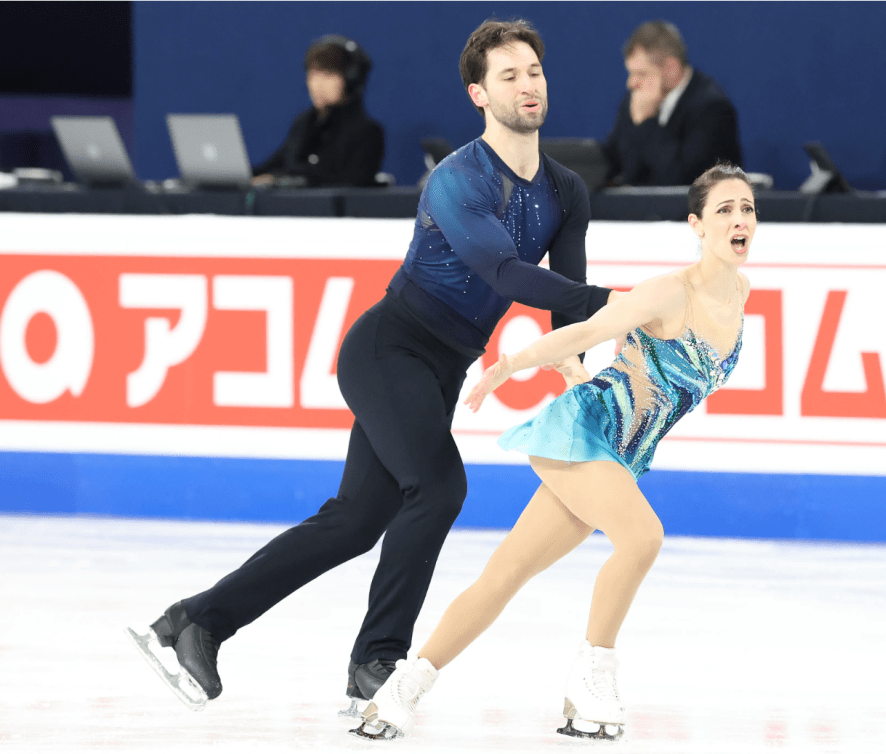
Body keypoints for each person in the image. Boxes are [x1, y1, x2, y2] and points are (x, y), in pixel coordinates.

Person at [126, 18, 616, 716]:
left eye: (533, 70)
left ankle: (195, 622)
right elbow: (505, 273)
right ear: (478, 93)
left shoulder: (566, 191)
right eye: (508, 75)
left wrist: (576, 358)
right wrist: (616, 304)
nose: (527, 84)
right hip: (391, 347)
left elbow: (563, 305)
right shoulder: (457, 179)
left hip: (442, 366)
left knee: (356, 520)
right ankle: (377, 660)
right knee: (439, 488)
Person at [351, 162, 755, 742]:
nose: (739, 220)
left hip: (618, 455)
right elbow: (586, 332)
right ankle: (593, 675)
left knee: (504, 574)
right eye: (725, 210)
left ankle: (402, 689)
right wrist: (512, 365)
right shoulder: (669, 292)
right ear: (696, 224)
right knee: (642, 537)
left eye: (747, 209)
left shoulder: (740, 293)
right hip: (583, 433)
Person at [602, 20, 743, 187]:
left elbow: (683, 181)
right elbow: (620, 167)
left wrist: (647, 123)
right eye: (631, 73)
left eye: (641, 73)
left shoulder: (712, 108)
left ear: (671, 68)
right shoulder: (633, 100)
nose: (632, 83)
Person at [251, 35, 385, 187]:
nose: (317, 84)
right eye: (313, 75)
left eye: (327, 75)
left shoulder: (366, 132)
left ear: (351, 80)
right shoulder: (304, 123)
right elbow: (275, 164)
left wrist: (282, 181)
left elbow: (346, 183)